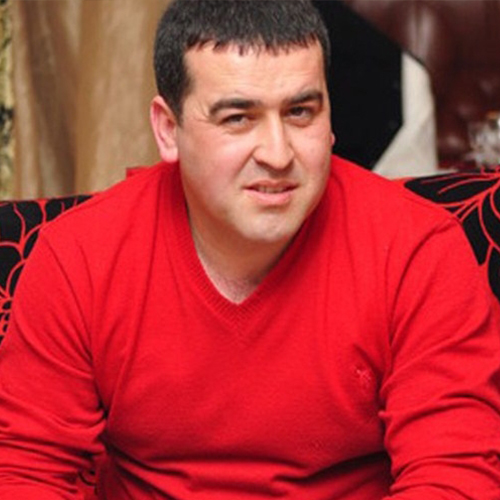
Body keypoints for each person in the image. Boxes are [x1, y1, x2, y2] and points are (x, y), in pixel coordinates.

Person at [1, 0, 500, 498]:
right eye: (239, 118)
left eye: (300, 112)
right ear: (168, 130)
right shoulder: (79, 256)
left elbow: (453, 477)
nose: (278, 155)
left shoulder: (417, 250)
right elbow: (26, 474)